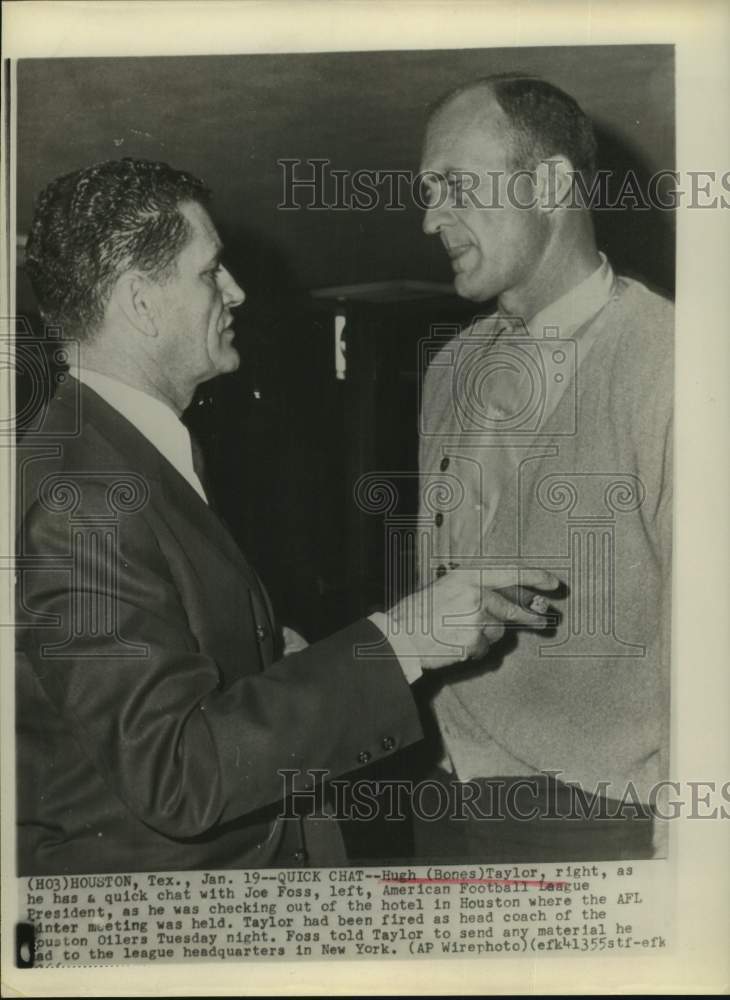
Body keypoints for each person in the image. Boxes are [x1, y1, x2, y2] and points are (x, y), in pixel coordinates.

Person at [15, 157, 558, 876]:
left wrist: (268, 657)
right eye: (210, 271)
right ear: (141, 303)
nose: (236, 291)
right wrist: (404, 641)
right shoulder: (83, 496)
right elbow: (179, 773)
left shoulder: (115, 450)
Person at [414, 74, 673, 861]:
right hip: (444, 792)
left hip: (596, 817)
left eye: (455, 186)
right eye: (428, 193)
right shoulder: (449, 369)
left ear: (552, 183)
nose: (431, 219)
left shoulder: (673, 359)